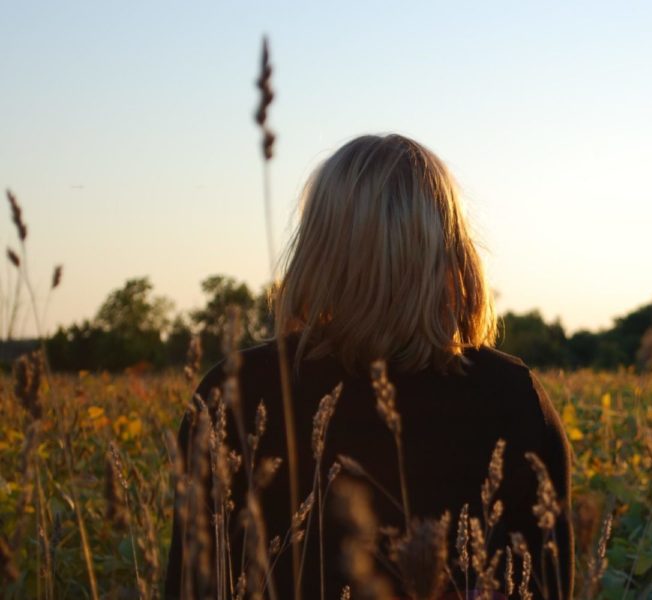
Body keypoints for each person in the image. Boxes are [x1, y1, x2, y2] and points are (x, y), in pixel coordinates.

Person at [164, 134, 574, 599]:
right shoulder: (511, 398)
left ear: (317, 248)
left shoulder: (236, 390)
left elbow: (190, 584)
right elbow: (546, 586)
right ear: (450, 248)